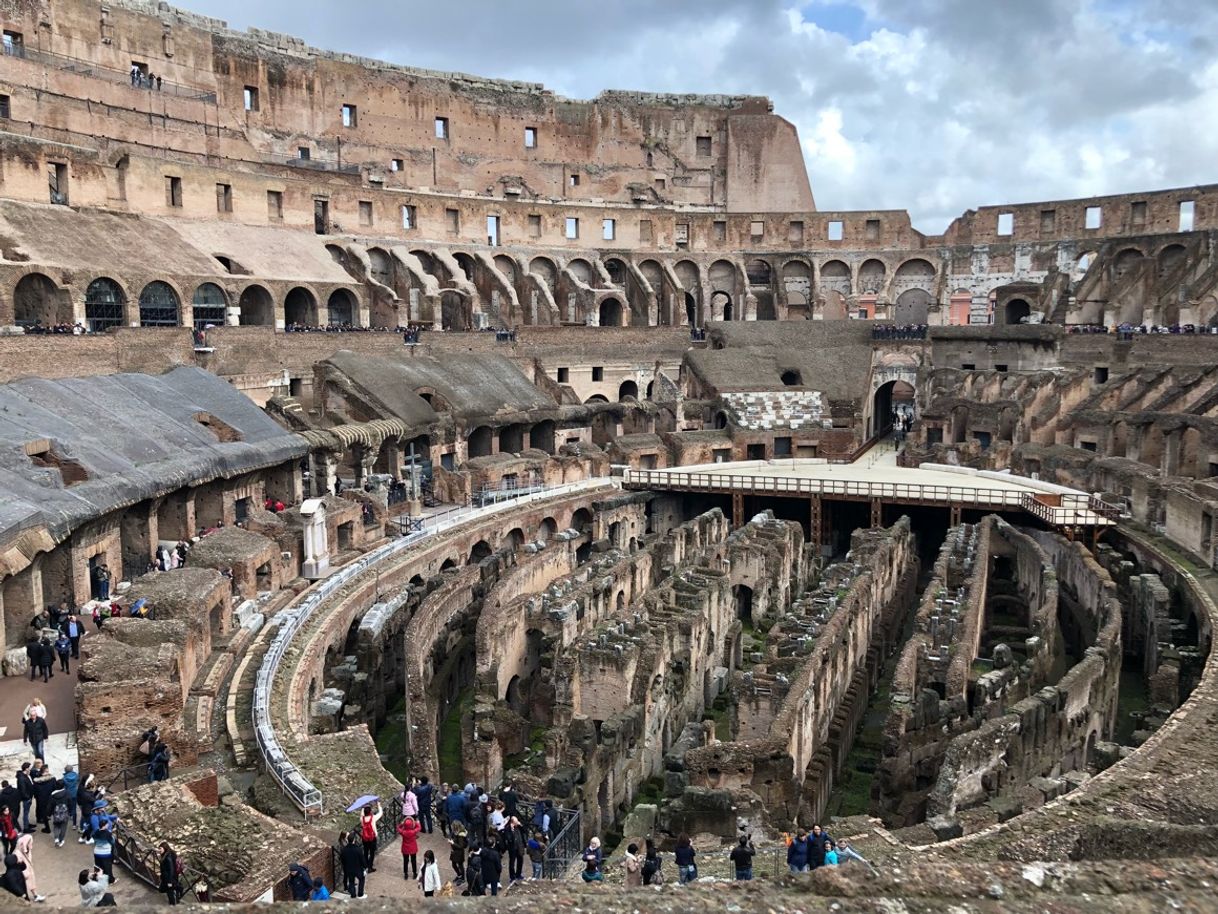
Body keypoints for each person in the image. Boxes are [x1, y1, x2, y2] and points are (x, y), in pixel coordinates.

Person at [15, 833, 43, 902]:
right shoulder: (17, 854)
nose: (31, 845)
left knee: (30, 882)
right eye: (30, 843)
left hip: (28, 871)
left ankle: (35, 895)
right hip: (23, 873)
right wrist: (25, 872)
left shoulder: (26, 849)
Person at [338, 831, 365, 899]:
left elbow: (342, 859)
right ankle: (360, 894)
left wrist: (345, 865)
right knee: (361, 879)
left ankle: (353, 895)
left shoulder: (344, 850)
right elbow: (362, 859)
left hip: (349, 868)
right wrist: (365, 867)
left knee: (351, 882)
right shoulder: (358, 849)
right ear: (354, 840)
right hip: (357, 868)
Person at [359, 801, 382, 873]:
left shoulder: (362, 819)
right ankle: (370, 867)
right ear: (370, 811)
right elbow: (380, 813)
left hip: (364, 838)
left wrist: (363, 807)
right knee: (372, 853)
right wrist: (379, 806)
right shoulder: (373, 818)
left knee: (365, 852)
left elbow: (361, 814)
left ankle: (365, 866)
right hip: (372, 838)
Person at [396, 814, 421, 880]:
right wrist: (415, 822)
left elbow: (398, 828)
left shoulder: (403, 832)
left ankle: (406, 874)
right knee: (413, 861)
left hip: (405, 848)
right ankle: (414, 873)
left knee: (405, 861)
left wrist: (402, 824)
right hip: (413, 848)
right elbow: (419, 827)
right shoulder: (413, 831)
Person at [16, 764, 34, 834]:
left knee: (27, 812)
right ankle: (26, 828)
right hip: (26, 798)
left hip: (28, 797)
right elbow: (22, 791)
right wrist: (28, 798)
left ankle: (27, 824)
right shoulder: (22, 778)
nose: (30, 769)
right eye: (29, 768)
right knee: (26, 813)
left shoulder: (25, 776)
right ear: (26, 769)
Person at [61, 765, 79, 830]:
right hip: (74, 793)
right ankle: (74, 824)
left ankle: (68, 816)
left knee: (67, 806)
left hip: (67, 794)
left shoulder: (64, 777)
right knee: (74, 808)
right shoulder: (76, 775)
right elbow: (77, 782)